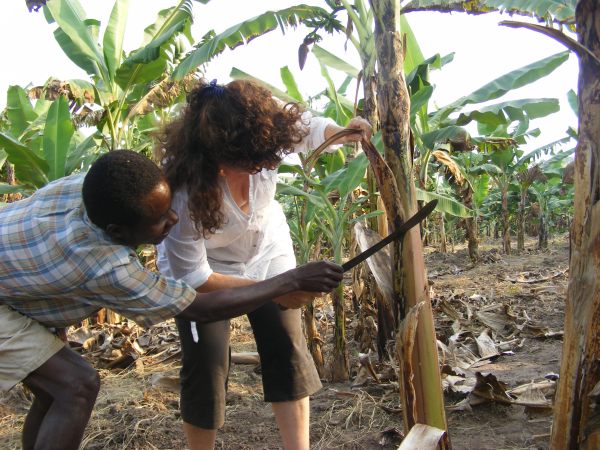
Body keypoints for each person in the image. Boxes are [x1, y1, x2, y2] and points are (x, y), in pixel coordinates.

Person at [0, 150, 343, 450]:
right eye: (159, 220)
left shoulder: (91, 188)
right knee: (75, 386)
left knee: (53, 390)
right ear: (117, 231)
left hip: (12, 282)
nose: (174, 220)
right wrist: (290, 280)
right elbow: (199, 307)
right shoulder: (104, 265)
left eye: (170, 208)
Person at [156, 79, 372, 450]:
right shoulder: (181, 189)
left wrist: (341, 132)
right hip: (203, 271)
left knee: (286, 349)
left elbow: (308, 129)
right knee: (205, 364)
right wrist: (283, 287)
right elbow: (195, 276)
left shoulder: (264, 125)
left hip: (267, 251)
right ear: (216, 161)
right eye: (249, 165)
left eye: (266, 161)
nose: (261, 170)